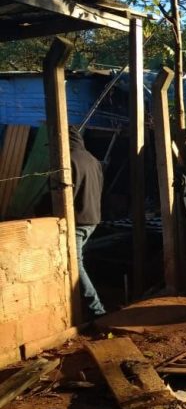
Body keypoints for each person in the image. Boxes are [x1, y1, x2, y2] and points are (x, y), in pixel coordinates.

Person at [68, 127, 106, 321]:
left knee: (75, 263)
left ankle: (96, 311)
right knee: (79, 261)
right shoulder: (92, 159)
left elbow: (65, 196)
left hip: (78, 220)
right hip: (93, 218)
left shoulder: (68, 161)